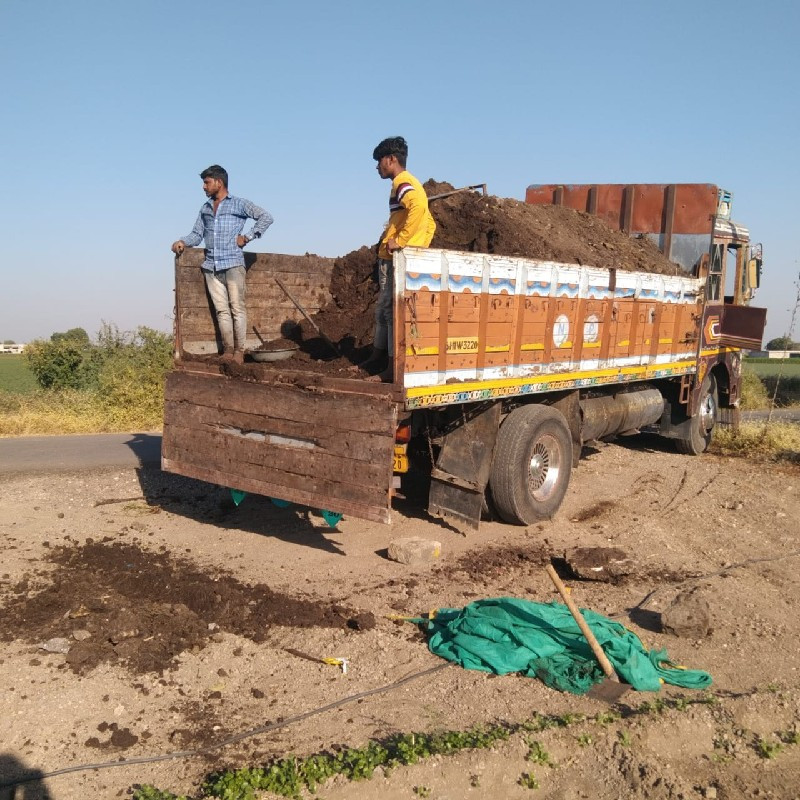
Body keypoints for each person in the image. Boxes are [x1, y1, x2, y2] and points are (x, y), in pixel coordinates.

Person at [171, 165, 273, 363]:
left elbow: (266, 217)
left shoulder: (238, 204)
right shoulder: (206, 208)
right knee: (222, 310)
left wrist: (248, 237)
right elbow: (197, 234)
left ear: (219, 182)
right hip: (211, 267)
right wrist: (182, 241)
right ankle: (228, 350)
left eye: (207, 182)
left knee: (237, 308)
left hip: (233, 263)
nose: (203, 187)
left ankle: (239, 352)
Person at [361, 137, 436, 382]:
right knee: (384, 310)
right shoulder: (409, 183)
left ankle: (392, 368)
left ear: (391, 159)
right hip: (394, 256)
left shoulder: (402, 182)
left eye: (379, 161)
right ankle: (378, 357)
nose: (377, 167)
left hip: (396, 258)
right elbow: (429, 222)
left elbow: (418, 208)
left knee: (392, 313)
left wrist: (402, 242)